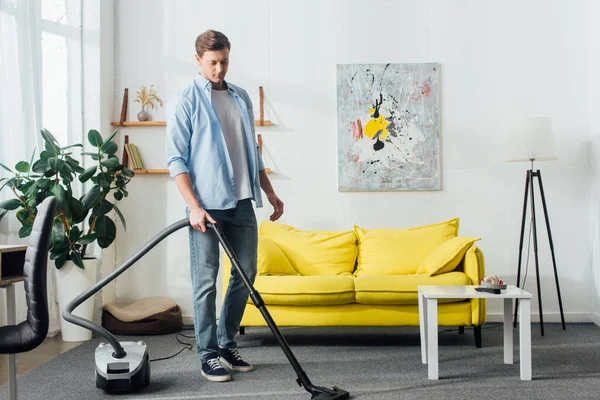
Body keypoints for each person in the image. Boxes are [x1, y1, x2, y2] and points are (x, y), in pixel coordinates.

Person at [165, 29, 284, 382]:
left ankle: (225, 342)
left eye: (225, 61)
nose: (220, 69)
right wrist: (193, 206)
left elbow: (252, 151)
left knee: (247, 273)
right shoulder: (185, 99)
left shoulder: (240, 97)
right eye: (213, 62)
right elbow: (175, 160)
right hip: (206, 207)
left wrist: (271, 192)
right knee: (206, 281)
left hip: (243, 200)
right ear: (198, 60)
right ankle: (207, 354)